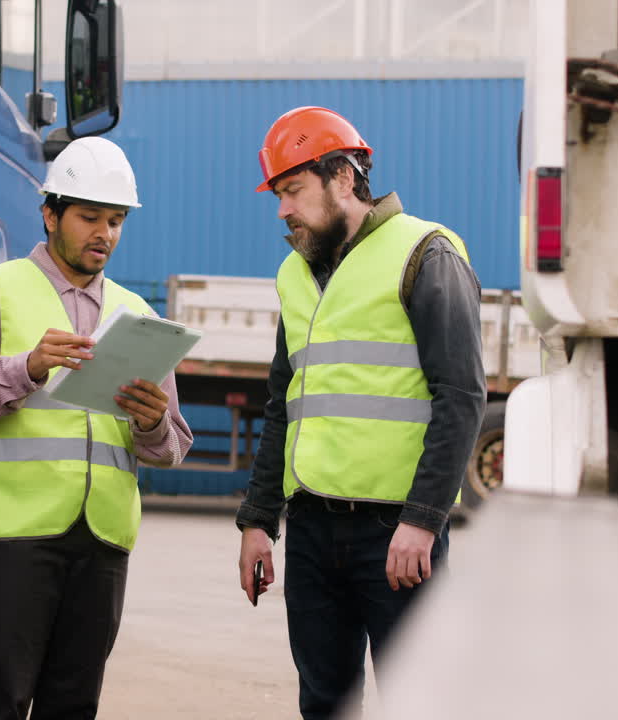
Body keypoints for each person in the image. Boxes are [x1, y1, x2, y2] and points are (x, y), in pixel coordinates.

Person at [0, 136, 193, 720]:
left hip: (101, 542)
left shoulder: (138, 317)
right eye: (90, 217)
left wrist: (150, 424)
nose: (105, 233)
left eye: (116, 220)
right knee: (0, 700)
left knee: (73, 704)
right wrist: (25, 368)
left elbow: (171, 445)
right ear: (50, 214)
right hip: (15, 534)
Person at [235, 106, 486, 718]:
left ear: (343, 178)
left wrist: (424, 520)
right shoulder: (295, 277)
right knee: (324, 702)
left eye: (292, 190)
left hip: (397, 538)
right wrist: (257, 520)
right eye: (278, 194)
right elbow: (283, 407)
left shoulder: (425, 254)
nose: (282, 210)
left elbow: (461, 396)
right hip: (315, 533)